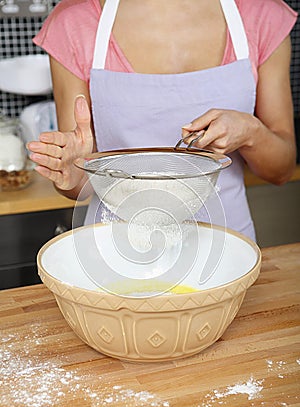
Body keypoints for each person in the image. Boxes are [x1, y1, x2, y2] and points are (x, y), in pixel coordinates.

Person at [27, 0, 298, 241]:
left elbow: (281, 170)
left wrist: (251, 133)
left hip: (226, 250)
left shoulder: (261, 14)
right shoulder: (75, 21)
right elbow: (79, 186)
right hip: (114, 251)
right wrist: (70, 173)